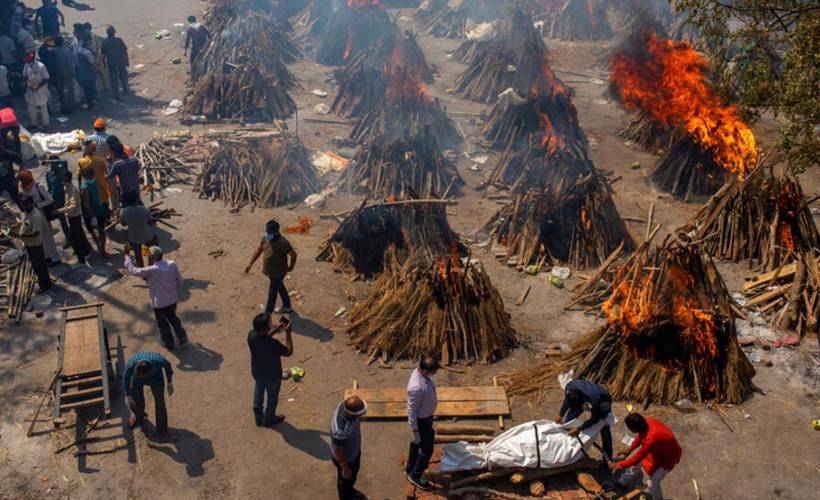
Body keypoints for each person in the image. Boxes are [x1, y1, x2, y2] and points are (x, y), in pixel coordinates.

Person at [124, 245, 188, 350]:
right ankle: (182, 336)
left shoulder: (151, 270)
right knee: (173, 317)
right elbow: (180, 281)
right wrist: (171, 288)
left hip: (159, 304)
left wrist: (127, 256)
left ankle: (169, 344)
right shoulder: (172, 264)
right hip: (172, 299)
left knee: (163, 325)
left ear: (151, 258)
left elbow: (133, 270)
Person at [610, 413, 682, 500]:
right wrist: (629, 450)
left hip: (667, 457)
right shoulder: (647, 421)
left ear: (634, 429)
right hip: (656, 449)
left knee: (652, 484)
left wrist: (620, 464)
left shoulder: (651, 439)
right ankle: (622, 482)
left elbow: (636, 458)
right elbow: (641, 436)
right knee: (634, 466)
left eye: (629, 428)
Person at [247, 313, 293, 427]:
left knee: (259, 389)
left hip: (257, 372)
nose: (272, 325)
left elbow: (264, 336)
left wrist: (276, 329)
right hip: (273, 375)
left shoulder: (251, 335)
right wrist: (288, 333)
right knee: (272, 397)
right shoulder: (273, 344)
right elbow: (289, 351)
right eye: (270, 324)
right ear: (265, 328)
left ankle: (258, 415)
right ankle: (269, 418)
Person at [245, 220, 297, 314]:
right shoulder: (266, 237)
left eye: (270, 232)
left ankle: (267, 315)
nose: (268, 234)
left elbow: (293, 255)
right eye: (267, 231)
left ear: (276, 231)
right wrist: (250, 263)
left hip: (278, 272)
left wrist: (291, 267)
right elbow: (259, 250)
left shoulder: (283, 243)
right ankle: (287, 306)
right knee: (280, 287)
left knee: (272, 294)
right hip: (270, 271)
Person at [556, 378, 613, 462]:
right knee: (569, 420)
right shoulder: (570, 387)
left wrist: (579, 428)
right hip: (584, 398)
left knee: (604, 428)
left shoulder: (596, 400)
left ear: (583, 400)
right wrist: (560, 414)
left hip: (603, 402)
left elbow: (595, 419)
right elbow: (567, 400)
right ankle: (568, 450)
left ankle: (607, 460)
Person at [123, 351, 173, 442]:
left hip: (156, 378)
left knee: (160, 403)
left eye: (142, 376)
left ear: (148, 372)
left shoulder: (158, 361)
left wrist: (169, 381)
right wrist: (127, 395)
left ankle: (162, 430)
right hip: (137, 380)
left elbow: (168, 365)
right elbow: (126, 377)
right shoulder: (132, 364)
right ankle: (138, 417)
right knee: (135, 398)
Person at [406, 356, 439, 491]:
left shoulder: (421, 374)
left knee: (416, 443)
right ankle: (416, 475)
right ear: (425, 372)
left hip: (426, 418)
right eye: (433, 372)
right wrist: (415, 430)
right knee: (427, 450)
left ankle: (410, 467)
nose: (435, 374)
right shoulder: (416, 387)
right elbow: (411, 410)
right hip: (422, 422)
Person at [18, 169, 60, 265]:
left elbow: (50, 199)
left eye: (24, 180)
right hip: (32, 214)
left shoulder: (38, 186)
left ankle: (55, 258)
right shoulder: (24, 188)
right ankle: (47, 256)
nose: (23, 182)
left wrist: (38, 205)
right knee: (40, 236)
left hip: (41, 213)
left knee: (48, 236)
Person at [330, 396, 368, 500]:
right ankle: (346, 496)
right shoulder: (341, 431)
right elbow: (339, 450)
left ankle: (350, 491)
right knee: (345, 480)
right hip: (346, 458)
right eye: (361, 413)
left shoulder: (343, 405)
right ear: (352, 414)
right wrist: (345, 467)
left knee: (352, 477)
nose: (363, 414)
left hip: (353, 451)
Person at [18, 196, 53, 293]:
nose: (23, 207)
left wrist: (21, 235)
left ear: (31, 204)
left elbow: (36, 233)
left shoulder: (36, 216)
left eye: (25, 205)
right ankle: (46, 281)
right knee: (37, 265)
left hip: (35, 245)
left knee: (39, 266)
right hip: (30, 245)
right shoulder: (28, 213)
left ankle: (45, 286)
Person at [55, 171, 90, 266]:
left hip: (75, 216)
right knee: (81, 235)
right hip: (71, 216)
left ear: (67, 180)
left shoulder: (73, 189)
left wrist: (59, 211)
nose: (62, 182)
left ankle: (81, 260)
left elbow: (73, 206)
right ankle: (87, 252)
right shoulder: (66, 188)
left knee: (75, 240)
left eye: (63, 180)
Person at [79, 165, 110, 257]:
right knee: (99, 231)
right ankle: (101, 249)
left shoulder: (95, 181)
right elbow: (87, 204)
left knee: (101, 230)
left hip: (99, 208)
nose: (92, 177)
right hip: (92, 213)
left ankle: (101, 247)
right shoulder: (85, 188)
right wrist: (92, 216)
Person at [120, 190, 155, 267]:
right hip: (147, 235)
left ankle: (142, 272)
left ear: (125, 200)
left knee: (138, 255)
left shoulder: (124, 212)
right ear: (137, 199)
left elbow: (123, 224)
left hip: (134, 237)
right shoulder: (144, 209)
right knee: (151, 251)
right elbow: (150, 222)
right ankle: (150, 267)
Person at [43, 154, 71, 247]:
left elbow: (64, 162)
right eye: (51, 163)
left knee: (71, 219)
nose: (52, 165)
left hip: (65, 199)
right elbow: (49, 187)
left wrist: (50, 161)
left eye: (53, 163)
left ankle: (73, 238)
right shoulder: (48, 173)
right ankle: (68, 239)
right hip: (55, 201)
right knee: (62, 221)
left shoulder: (62, 170)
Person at [107, 137, 141, 204]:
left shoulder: (117, 164)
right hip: (136, 189)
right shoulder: (134, 160)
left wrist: (109, 163)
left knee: (127, 209)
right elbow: (138, 169)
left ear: (114, 153)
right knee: (138, 204)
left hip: (126, 193)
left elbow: (109, 176)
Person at [22, 51, 49, 129]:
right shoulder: (26, 65)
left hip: (41, 90)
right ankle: (34, 124)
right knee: (31, 108)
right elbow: (25, 76)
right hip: (30, 90)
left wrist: (37, 87)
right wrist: (28, 83)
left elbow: (46, 78)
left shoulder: (41, 66)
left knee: (43, 108)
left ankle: (46, 124)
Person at [101, 25, 129, 99]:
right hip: (120, 61)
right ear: (114, 32)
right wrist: (127, 60)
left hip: (111, 63)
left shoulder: (105, 42)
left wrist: (103, 63)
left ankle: (116, 93)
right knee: (123, 76)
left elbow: (103, 54)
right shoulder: (119, 40)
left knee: (113, 78)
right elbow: (124, 51)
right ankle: (126, 89)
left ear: (107, 33)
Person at [52, 36, 75, 114]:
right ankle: (70, 108)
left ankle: (63, 107)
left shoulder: (53, 51)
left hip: (57, 73)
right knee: (69, 90)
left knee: (60, 91)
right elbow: (69, 63)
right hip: (66, 72)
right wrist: (72, 72)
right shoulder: (66, 51)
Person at [75, 43, 96, 109]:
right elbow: (93, 62)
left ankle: (88, 103)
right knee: (90, 89)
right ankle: (91, 105)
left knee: (85, 90)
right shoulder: (88, 53)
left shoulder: (77, 50)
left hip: (80, 73)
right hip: (89, 74)